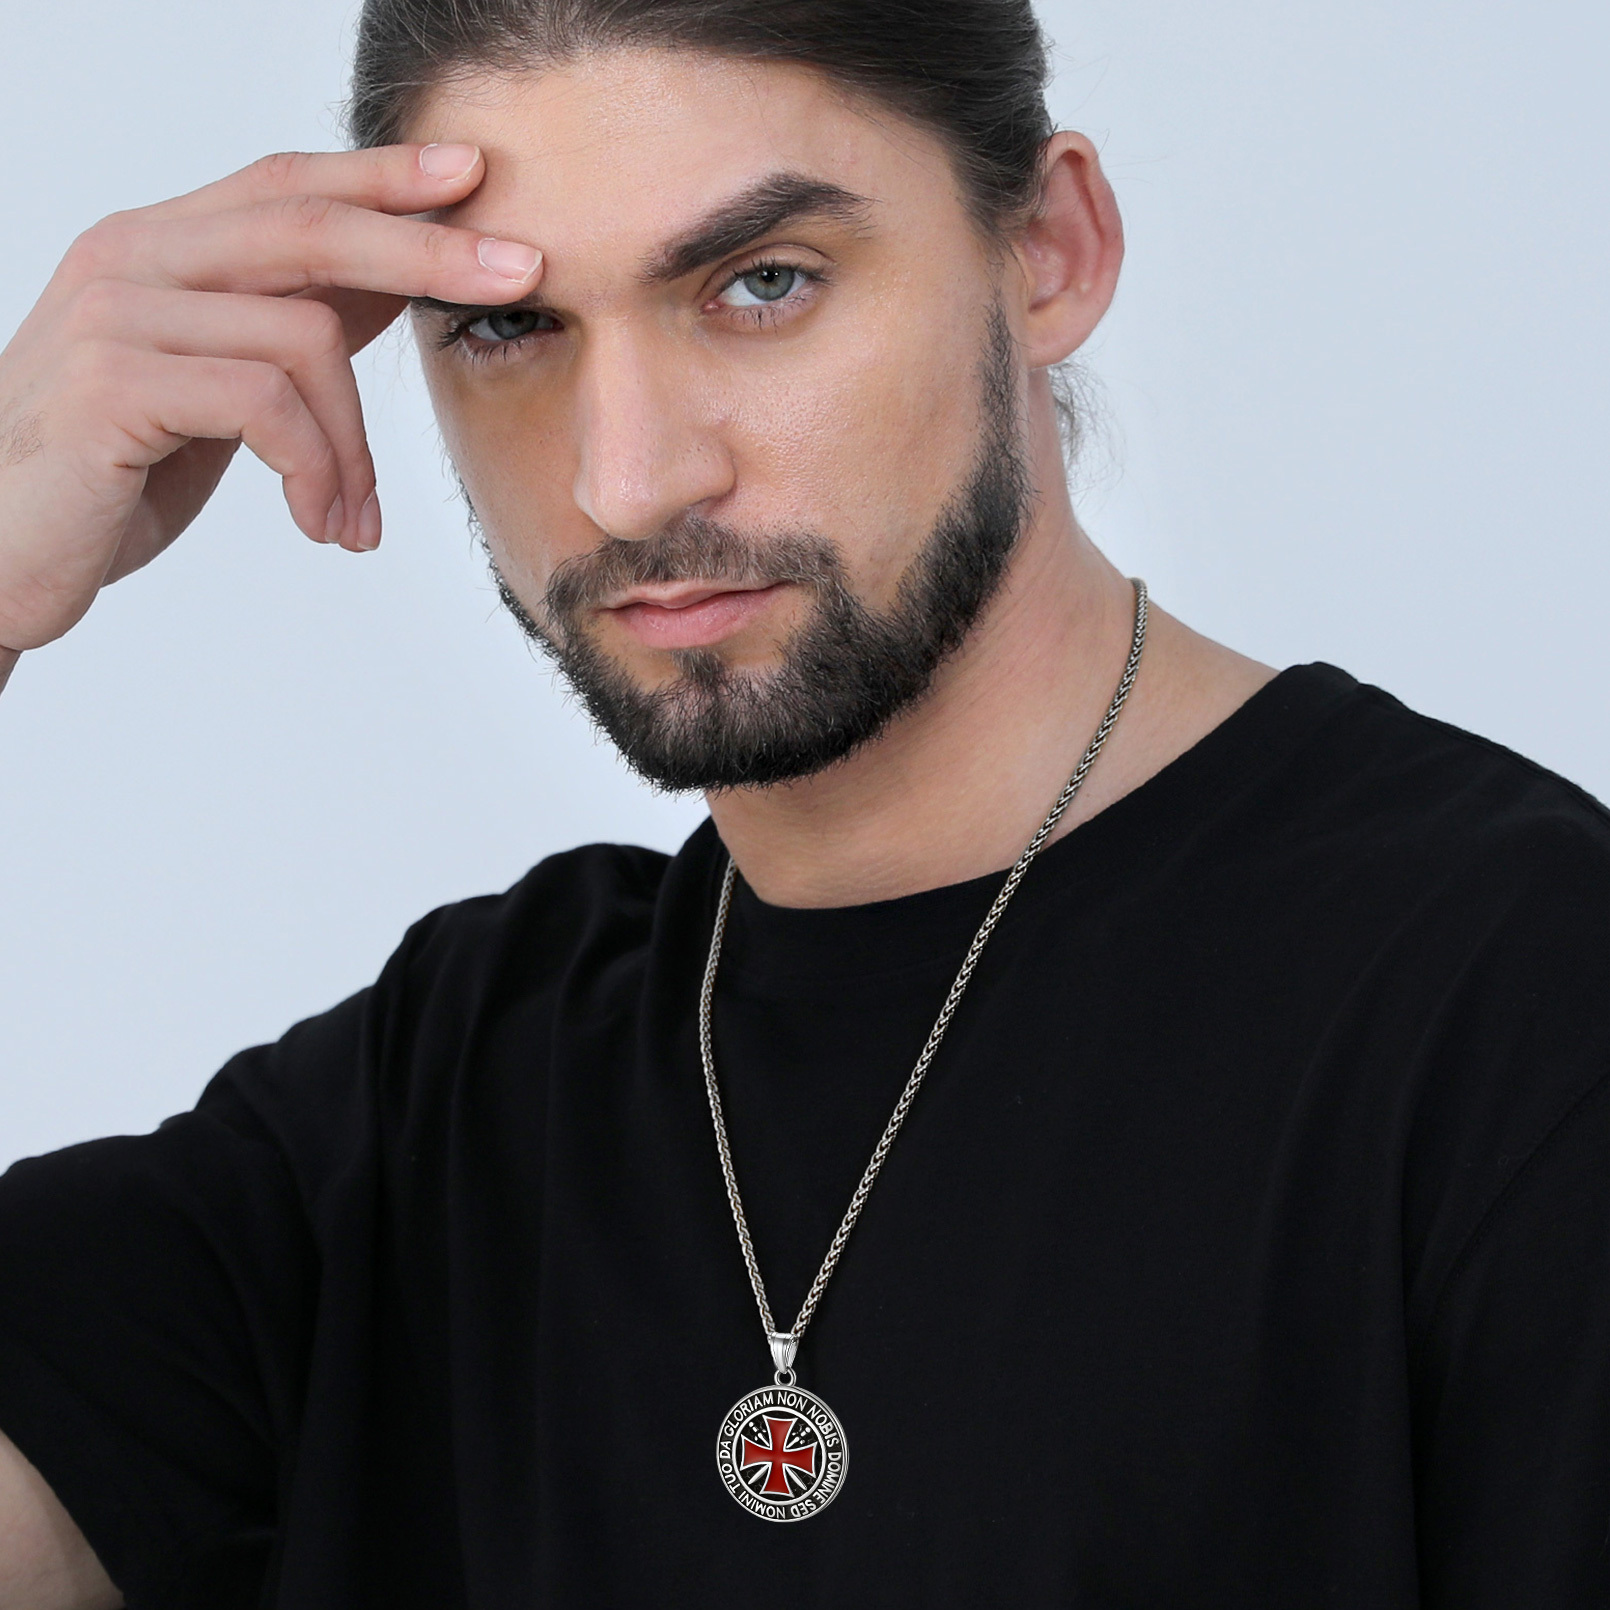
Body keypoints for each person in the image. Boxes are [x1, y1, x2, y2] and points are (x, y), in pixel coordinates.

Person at [0, 0, 1605, 1603]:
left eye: (759, 284)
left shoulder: (1517, 995)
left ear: (1045, 249)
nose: (626, 480)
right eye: (511, 328)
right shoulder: (448, 1092)